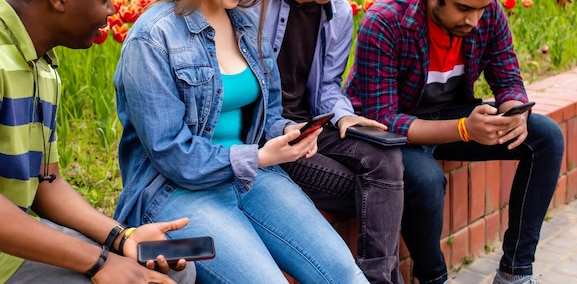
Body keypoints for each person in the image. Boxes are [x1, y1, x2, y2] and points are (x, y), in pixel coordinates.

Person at [112, 0, 370, 282]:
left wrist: (287, 132)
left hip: (252, 178)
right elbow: (171, 153)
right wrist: (259, 157)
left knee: (346, 275)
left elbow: (268, 114)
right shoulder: (151, 38)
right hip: (175, 192)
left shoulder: (245, 23)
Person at [344, 0, 565, 283]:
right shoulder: (385, 20)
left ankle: (516, 272)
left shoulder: (489, 11)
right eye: (463, 8)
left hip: (451, 115)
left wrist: (514, 112)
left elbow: (508, 77)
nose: (473, 19)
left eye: (480, 9)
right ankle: (434, 278)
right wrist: (463, 129)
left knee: (546, 137)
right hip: (389, 132)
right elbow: (382, 116)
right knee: (425, 179)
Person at [0, 0, 197, 283]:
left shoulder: (41, 63)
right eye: (104, 0)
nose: (113, 10)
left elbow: (46, 182)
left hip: (14, 243)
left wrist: (123, 238)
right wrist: (99, 262)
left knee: (173, 270)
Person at [253, 0, 405, 283]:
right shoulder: (256, 6)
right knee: (382, 193)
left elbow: (327, 86)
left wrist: (344, 116)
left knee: (387, 157)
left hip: (311, 128)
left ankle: (377, 278)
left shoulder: (339, 12)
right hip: (268, 137)